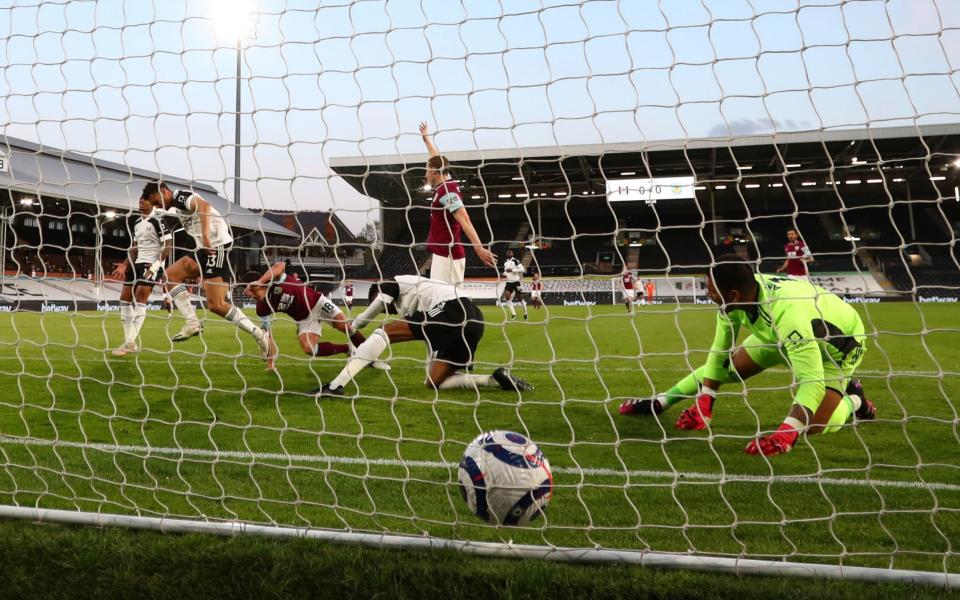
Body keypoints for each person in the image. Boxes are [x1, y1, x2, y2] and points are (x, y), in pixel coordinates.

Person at [619, 254, 876, 456]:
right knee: (729, 368)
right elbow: (719, 353)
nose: (708, 293)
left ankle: (855, 401)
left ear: (733, 295)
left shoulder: (787, 313)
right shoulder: (737, 298)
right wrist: (705, 401)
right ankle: (660, 402)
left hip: (834, 349)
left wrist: (785, 433)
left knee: (812, 426)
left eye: (711, 290)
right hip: (775, 337)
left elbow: (812, 382)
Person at [315, 275, 533, 396]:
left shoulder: (391, 283)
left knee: (384, 331)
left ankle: (335, 386)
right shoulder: (417, 297)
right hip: (475, 320)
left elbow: (369, 315)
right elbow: (430, 336)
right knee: (433, 381)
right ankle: (493, 379)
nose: (385, 309)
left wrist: (351, 325)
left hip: (455, 309)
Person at [141, 181, 273, 360]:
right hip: (203, 250)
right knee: (170, 276)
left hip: (216, 246)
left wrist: (205, 237)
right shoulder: (176, 207)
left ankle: (259, 334)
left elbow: (204, 206)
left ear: (164, 192)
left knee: (216, 305)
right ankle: (192, 322)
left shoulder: (180, 196)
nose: (158, 206)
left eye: (157, 201)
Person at [242, 263, 379, 372]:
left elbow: (280, 265)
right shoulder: (262, 307)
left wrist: (260, 281)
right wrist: (271, 364)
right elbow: (268, 335)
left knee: (346, 327)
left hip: (318, 302)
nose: (253, 296)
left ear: (258, 285)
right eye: (249, 294)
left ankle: (372, 358)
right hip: (304, 319)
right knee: (309, 349)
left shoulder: (275, 280)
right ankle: (347, 349)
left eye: (253, 291)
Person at [419, 122, 496, 283]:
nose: (425, 175)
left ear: (433, 171)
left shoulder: (447, 192)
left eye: (427, 171)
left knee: (449, 303)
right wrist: (427, 139)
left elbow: (464, 218)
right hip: (442, 255)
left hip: (449, 256)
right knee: (442, 302)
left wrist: (478, 247)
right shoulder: (444, 183)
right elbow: (436, 159)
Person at [110, 195, 175, 356]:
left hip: (151, 264)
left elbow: (168, 247)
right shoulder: (137, 223)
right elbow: (134, 248)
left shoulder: (158, 220)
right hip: (135, 263)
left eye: (143, 200)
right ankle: (129, 342)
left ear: (152, 203)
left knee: (140, 298)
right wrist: (125, 264)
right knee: (124, 300)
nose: (140, 202)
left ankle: (130, 342)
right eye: (139, 200)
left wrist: (155, 266)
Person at [500, 249, 528, 320]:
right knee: (507, 297)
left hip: (516, 282)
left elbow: (522, 269)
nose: (509, 253)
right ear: (506, 254)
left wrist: (512, 270)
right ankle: (513, 314)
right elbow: (506, 271)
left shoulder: (516, 260)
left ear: (512, 254)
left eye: (510, 253)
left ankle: (525, 313)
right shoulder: (505, 262)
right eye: (508, 252)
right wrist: (503, 274)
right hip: (509, 282)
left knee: (520, 298)